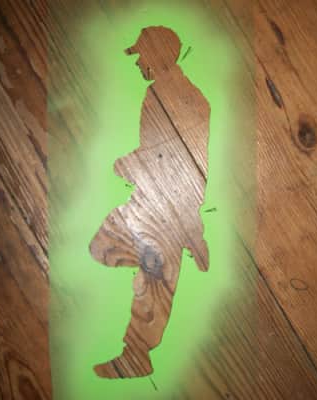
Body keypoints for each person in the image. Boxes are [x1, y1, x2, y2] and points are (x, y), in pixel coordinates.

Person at [89, 26, 210, 378]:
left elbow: (183, 156)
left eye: (142, 55)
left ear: (158, 55)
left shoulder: (183, 96)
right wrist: (137, 164)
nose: (138, 62)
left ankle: (136, 357)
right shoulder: (158, 92)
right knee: (104, 248)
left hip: (173, 206)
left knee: (154, 280)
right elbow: (159, 148)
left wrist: (133, 164)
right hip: (153, 199)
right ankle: (146, 288)